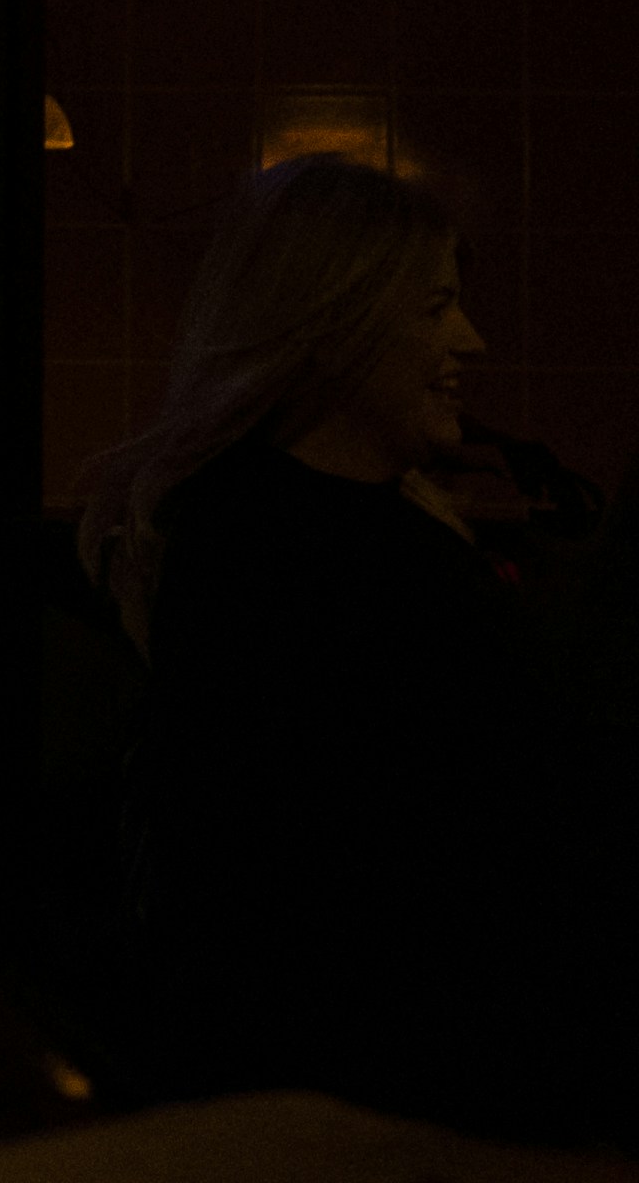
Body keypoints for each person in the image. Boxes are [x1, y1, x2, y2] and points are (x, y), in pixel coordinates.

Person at [73, 148, 630, 1147]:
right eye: (432, 308)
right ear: (332, 326)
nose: (472, 338)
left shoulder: (259, 540)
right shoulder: (326, 574)